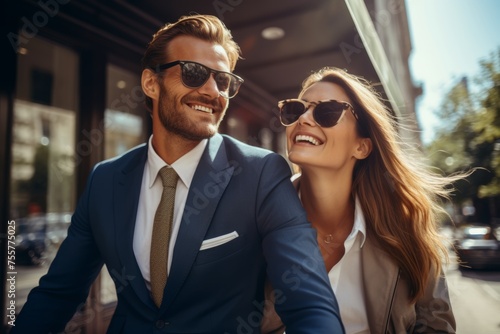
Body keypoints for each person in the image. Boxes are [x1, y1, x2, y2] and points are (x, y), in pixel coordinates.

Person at [12, 15, 345, 334]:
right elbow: (57, 295)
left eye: (223, 80)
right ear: (150, 83)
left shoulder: (261, 173)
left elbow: (309, 304)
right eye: (194, 72)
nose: (213, 91)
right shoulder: (106, 180)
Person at [262, 67, 460, 333]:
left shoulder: (405, 229)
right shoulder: (258, 219)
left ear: (362, 146)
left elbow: (437, 325)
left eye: (327, 112)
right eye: (296, 109)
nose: (305, 119)